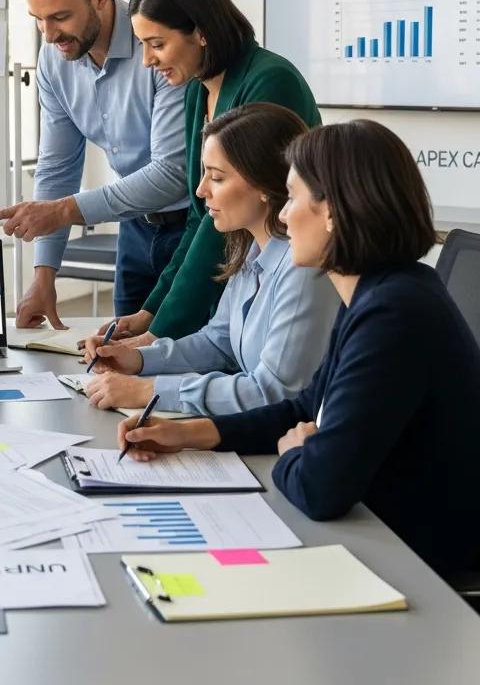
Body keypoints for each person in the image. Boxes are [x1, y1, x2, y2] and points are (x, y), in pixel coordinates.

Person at [115, 120, 480, 578]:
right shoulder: (378, 291)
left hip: (418, 564)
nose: (283, 216)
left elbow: (320, 487)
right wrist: (191, 434)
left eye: (292, 197)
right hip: (379, 535)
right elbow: (304, 409)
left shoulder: (394, 312)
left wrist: (294, 454)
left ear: (334, 211)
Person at [0, 0, 188, 328]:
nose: (49, 34)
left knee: (180, 361)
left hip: (192, 229)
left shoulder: (160, 48)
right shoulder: (53, 60)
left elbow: (171, 174)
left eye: (60, 17)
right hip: (134, 228)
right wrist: (44, 275)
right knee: (121, 360)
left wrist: (62, 211)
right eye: (38, 19)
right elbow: (58, 167)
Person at [111, 0, 320, 345]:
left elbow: (217, 226)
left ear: (201, 33)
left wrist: (158, 334)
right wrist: (150, 312)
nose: (147, 61)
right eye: (142, 44)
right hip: (243, 271)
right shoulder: (198, 89)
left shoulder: (270, 79)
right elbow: (200, 214)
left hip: (285, 273)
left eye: (157, 44)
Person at [83, 103, 336, 414]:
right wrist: (137, 359)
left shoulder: (302, 269)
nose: (201, 190)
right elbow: (218, 342)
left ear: (264, 186)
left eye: (216, 178)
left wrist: (150, 390)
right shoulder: (249, 248)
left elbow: (273, 391)